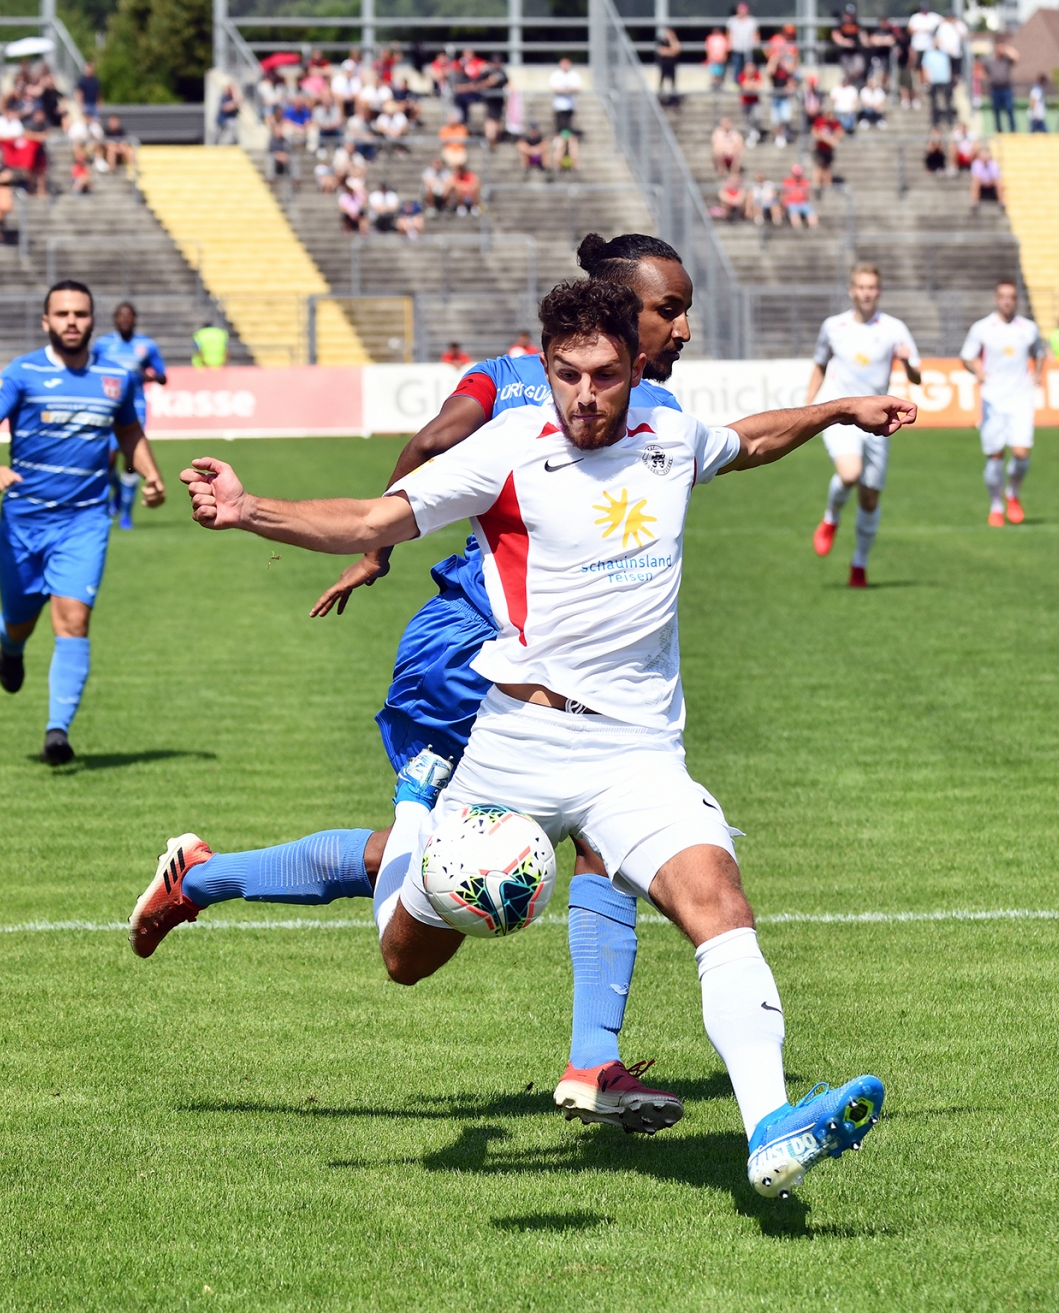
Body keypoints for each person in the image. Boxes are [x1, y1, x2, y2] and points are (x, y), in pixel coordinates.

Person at [161, 279, 904, 1198]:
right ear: (545, 365)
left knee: (718, 900)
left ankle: (770, 1130)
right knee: (404, 958)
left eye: (605, 375)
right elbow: (372, 519)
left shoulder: (670, 434)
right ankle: (407, 813)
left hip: (636, 753)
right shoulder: (509, 447)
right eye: (566, 375)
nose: (585, 396)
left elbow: (746, 442)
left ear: (635, 366)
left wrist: (838, 409)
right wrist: (249, 510)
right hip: (516, 747)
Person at [137, 234, 705, 1137]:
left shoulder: (621, 402)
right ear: (617, 313)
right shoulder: (536, 384)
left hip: (542, 673)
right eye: (666, 311)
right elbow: (437, 442)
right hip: (473, 654)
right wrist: (377, 543)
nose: (680, 330)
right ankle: (207, 878)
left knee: (582, 842)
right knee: (436, 866)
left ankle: (591, 1061)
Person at [0, 282, 165, 765]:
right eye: (62, 314)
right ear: (46, 322)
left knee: (73, 619)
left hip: (85, 520)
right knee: (19, 622)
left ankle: (58, 731)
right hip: (23, 522)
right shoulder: (22, 372)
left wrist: (150, 473)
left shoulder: (116, 377)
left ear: (92, 321)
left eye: (80, 313)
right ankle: (10, 647)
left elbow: (128, 430)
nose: (71, 321)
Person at [807, 264, 922, 589]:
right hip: (841, 414)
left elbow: (917, 377)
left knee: (869, 499)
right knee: (850, 473)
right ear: (851, 290)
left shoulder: (894, 329)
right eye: (861, 287)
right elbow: (819, 365)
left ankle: (859, 565)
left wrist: (907, 362)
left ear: (878, 291)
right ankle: (831, 518)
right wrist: (808, 406)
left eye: (871, 287)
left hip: (878, 420)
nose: (866, 293)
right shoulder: (834, 326)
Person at [959, 281, 1043, 527]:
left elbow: (1039, 353)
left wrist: (1038, 373)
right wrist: (977, 371)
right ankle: (996, 506)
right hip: (993, 400)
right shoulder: (982, 328)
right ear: (996, 299)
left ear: (1016, 300)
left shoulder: (1028, 328)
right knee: (995, 455)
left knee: (1021, 453)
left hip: (1021, 398)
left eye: (1012, 297)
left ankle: (1012, 493)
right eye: (1003, 296)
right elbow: (966, 356)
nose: (1007, 301)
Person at [92, 302, 168, 531]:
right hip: (109, 407)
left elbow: (162, 376)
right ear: (115, 319)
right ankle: (116, 492)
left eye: (128, 316)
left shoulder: (146, 346)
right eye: (120, 316)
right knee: (107, 461)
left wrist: (151, 377)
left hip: (136, 407)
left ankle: (126, 513)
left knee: (130, 461)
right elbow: (90, 370)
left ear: (135, 319)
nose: (124, 320)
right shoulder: (102, 345)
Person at [548, 57, 581, 134]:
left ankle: (567, 139)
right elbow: (553, 88)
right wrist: (565, 90)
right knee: (560, 125)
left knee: (568, 125)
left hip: (570, 105)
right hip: (559, 105)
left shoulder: (574, 74)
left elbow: (578, 87)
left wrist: (566, 89)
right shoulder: (556, 74)